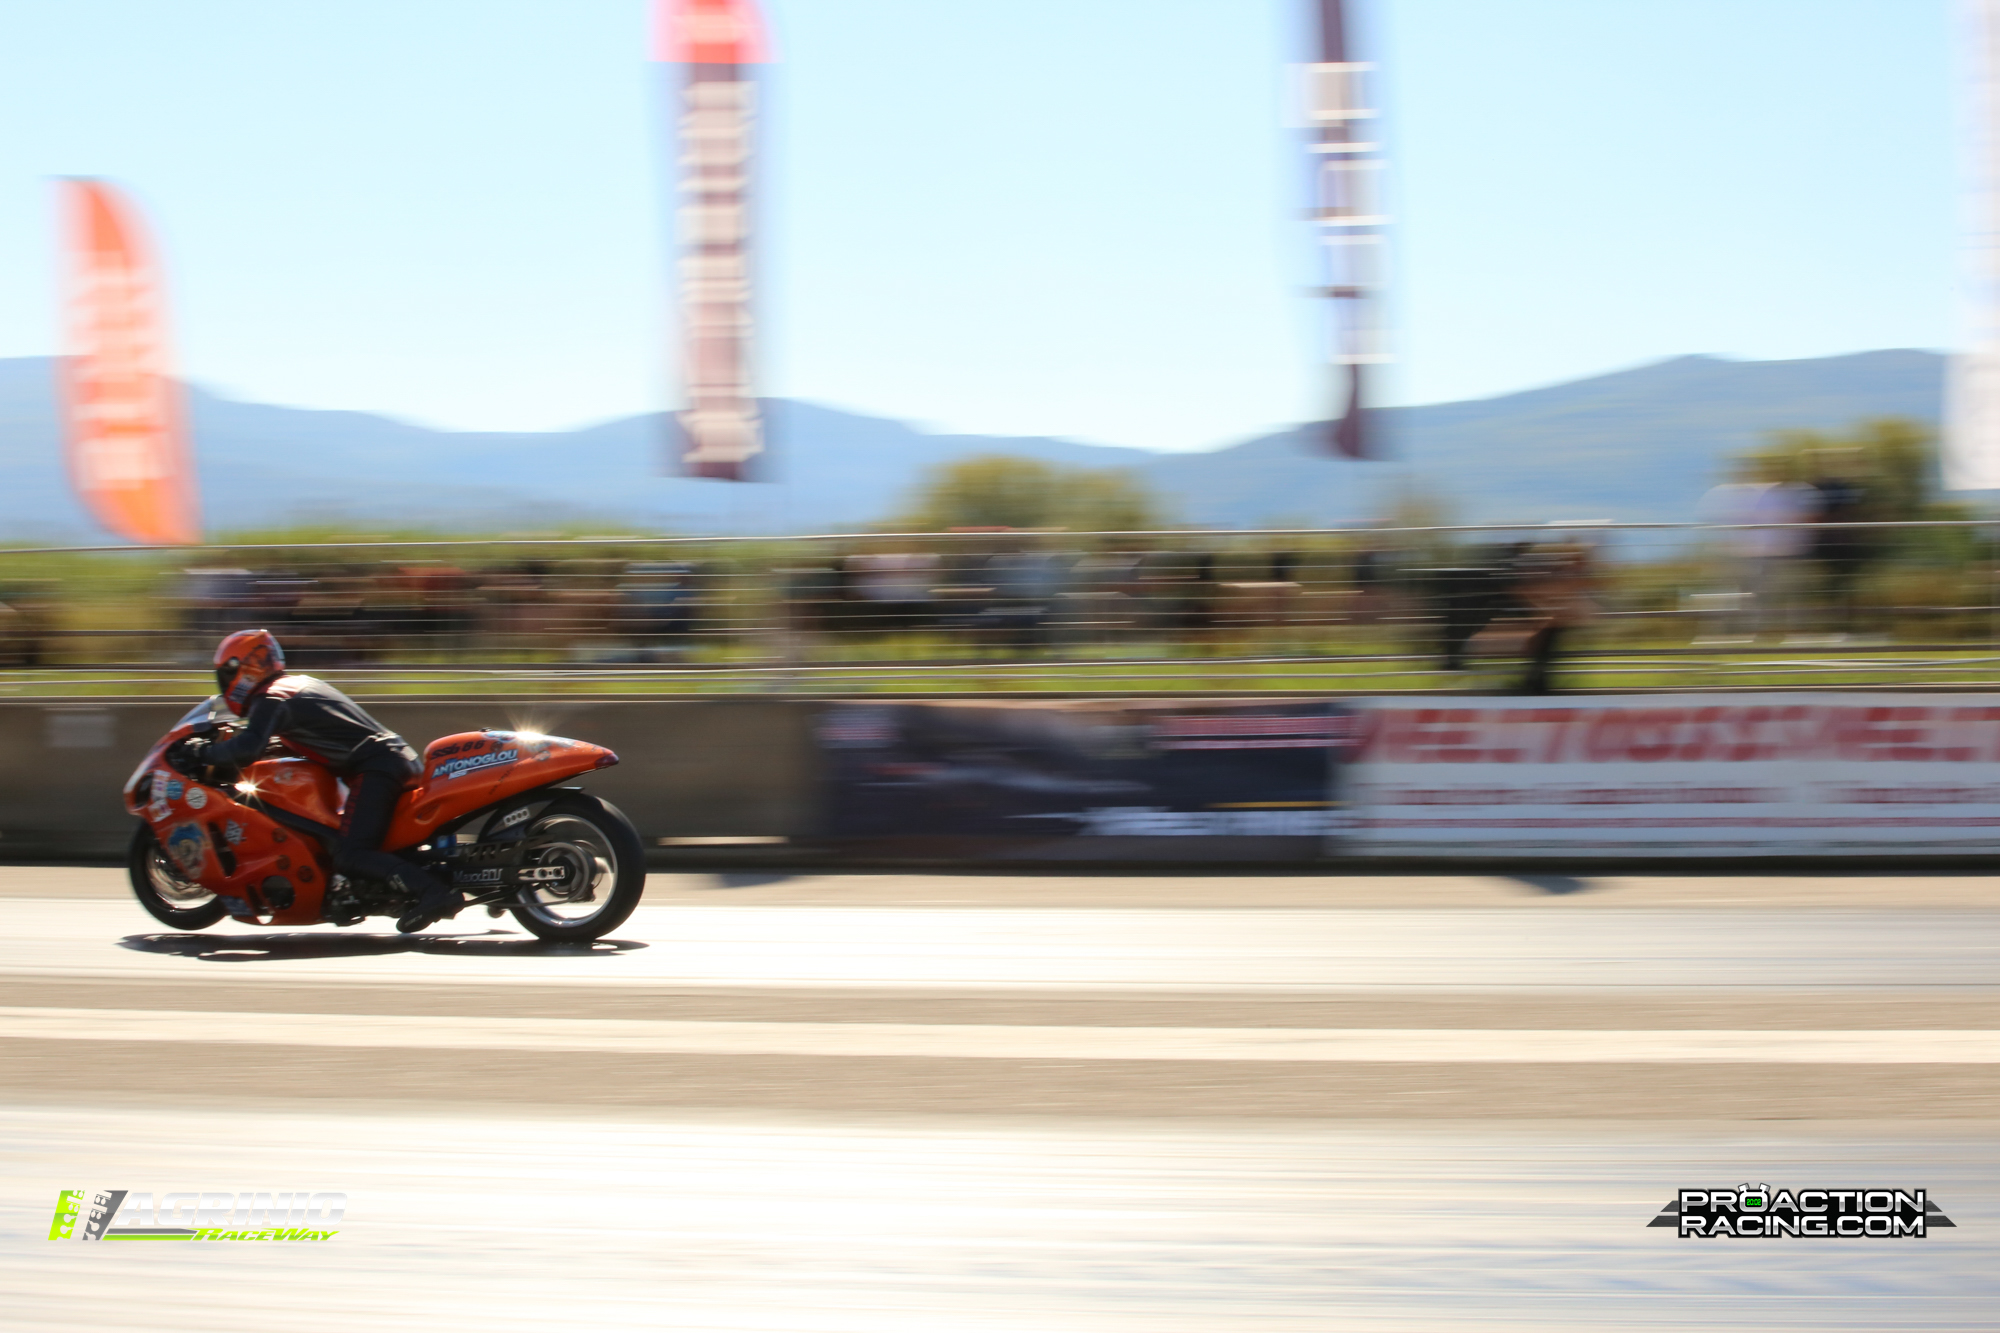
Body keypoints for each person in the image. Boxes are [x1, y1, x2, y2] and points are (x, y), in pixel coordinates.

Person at [171, 629, 461, 932]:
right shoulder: (296, 685)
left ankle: (434, 893)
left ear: (240, 670)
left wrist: (201, 752)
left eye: (225, 674)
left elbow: (247, 749)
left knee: (351, 854)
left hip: (376, 767)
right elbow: (284, 743)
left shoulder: (270, 697)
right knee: (371, 842)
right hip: (392, 759)